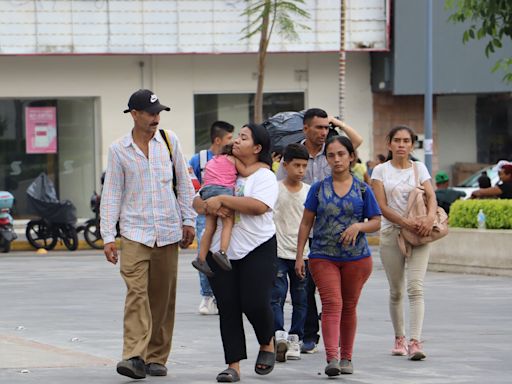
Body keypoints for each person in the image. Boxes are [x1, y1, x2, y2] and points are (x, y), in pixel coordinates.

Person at [101, 89, 196, 379]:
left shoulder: (169, 141)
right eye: (151, 113)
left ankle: (156, 357)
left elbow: (183, 182)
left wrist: (189, 220)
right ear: (135, 114)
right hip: (134, 233)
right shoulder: (119, 150)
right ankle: (133, 355)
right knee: (136, 294)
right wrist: (108, 236)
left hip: (168, 230)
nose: (156, 118)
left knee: (162, 298)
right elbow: (112, 193)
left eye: (158, 113)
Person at [193, 123, 278, 383]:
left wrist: (223, 201)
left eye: (244, 138)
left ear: (258, 147)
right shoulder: (223, 166)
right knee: (228, 307)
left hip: (257, 246)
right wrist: (207, 204)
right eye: (237, 137)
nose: (237, 141)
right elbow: (198, 200)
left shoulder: (264, 176)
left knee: (254, 302)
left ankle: (267, 342)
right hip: (221, 250)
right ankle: (233, 365)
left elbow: (258, 206)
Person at [276, 107, 363, 353]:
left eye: (327, 127)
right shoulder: (295, 153)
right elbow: (281, 188)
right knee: (306, 284)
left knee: (323, 285)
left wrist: (338, 123)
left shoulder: (333, 152)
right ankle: (309, 334)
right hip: (302, 227)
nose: (324, 132)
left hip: (329, 230)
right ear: (305, 128)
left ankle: (322, 328)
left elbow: (356, 142)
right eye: (319, 127)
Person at [295, 136, 381, 376]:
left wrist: (358, 227)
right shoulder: (318, 188)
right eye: (331, 155)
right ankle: (332, 357)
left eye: (341, 154)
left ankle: (347, 358)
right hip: (323, 255)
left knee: (349, 306)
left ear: (351, 156)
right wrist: (300, 255)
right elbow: (305, 224)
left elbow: (376, 222)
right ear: (326, 159)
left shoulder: (363, 189)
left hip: (357, 258)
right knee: (332, 303)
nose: (336, 159)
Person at [371, 125, 437, 361]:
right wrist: (406, 223)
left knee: (416, 288)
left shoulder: (419, 168)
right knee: (396, 290)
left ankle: (415, 341)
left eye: (406, 141)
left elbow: (431, 196)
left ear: (412, 145)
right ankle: (399, 337)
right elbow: (382, 206)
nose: (401, 145)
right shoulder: (380, 171)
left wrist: (429, 219)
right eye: (397, 140)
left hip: (420, 234)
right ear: (389, 144)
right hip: (391, 234)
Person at [192, 143, 270, 276]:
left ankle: (201, 259)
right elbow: (245, 171)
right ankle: (222, 252)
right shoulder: (233, 159)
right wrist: (262, 165)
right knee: (228, 223)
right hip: (223, 190)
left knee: (210, 227)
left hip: (207, 191)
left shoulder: (213, 160)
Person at [189, 121, 234, 315]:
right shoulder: (197, 159)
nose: (234, 142)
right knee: (206, 247)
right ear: (218, 140)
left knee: (210, 240)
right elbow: (191, 186)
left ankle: (220, 294)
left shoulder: (225, 158)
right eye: (230, 138)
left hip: (213, 201)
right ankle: (207, 296)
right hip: (207, 208)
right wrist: (211, 207)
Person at [271, 143, 310, 363]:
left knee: (301, 298)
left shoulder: (308, 191)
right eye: (296, 165)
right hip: (277, 252)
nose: (301, 170)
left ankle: (296, 338)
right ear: (285, 165)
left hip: (302, 254)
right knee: (275, 296)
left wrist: (302, 254)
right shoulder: (275, 189)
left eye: (304, 166)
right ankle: (280, 335)